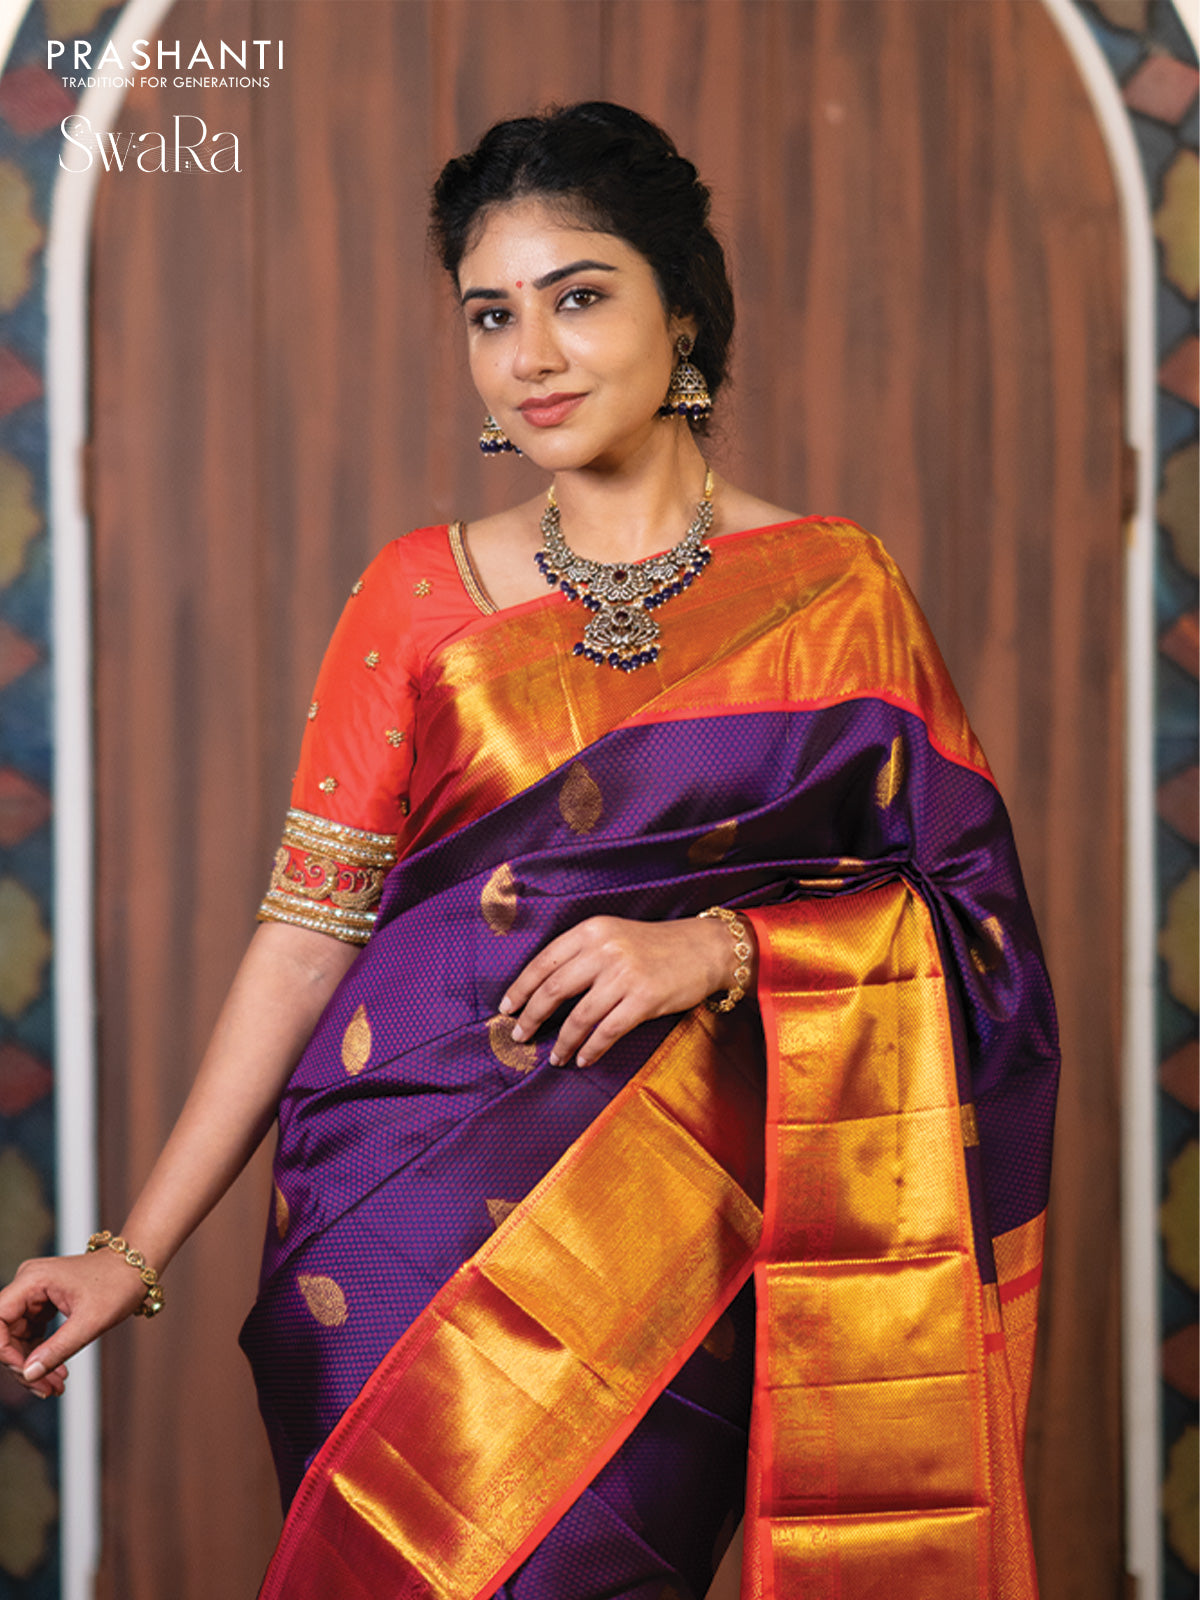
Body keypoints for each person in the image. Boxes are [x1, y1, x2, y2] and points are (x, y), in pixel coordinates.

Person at [0, 102, 1058, 1599]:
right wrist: (135, 1249)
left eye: (579, 297)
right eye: (492, 315)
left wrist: (723, 948)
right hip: (394, 1209)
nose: (533, 355)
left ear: (683, 313)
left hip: (685, 1227)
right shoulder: (417, 594)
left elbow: (976, 932)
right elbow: (307, 933)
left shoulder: (837, 594)